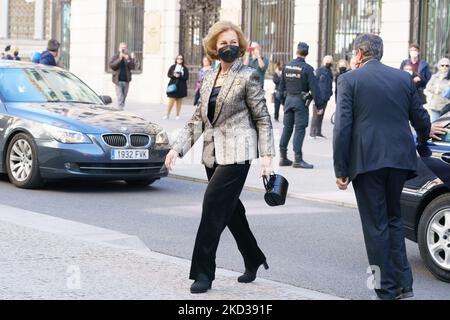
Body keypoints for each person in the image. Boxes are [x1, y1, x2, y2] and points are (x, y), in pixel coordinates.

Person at [164, 21, 275, 294]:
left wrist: (267, 157)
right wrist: (176, 148)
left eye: (233, 42)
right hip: (212, 153)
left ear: (241, 46)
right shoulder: (209, 77)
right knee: (231, 210)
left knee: (213, 205)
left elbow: (262, 118)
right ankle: (253, 257)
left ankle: (203, 272)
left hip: (239, 152)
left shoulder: (248, 75)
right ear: (214, 47)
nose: (229, 47)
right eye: (223, 43)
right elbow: (198, 120)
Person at [333, 34, 436, 300]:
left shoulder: (348, 80)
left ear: (358, 53)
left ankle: (384, 289)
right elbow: (422, 119)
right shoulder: (402, 78)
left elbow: (342, 127)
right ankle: (404, 285)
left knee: (374, 227)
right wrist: (423, 140)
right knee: (393, 221)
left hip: (367, 163)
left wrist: (340, 169)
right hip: (401, 161)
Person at [278, 41, 324, 169]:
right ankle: (298, 159)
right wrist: (319, 105)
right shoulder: (308, 69)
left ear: (296, 51)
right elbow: (314, 89)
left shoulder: (287, 67)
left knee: (287, 128)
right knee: (299, 129)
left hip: (288, 100)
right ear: (307, 53)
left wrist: (283, 102)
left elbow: (280, 87)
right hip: (300, 102)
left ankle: (283, 157)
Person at [310, 55, 334, 139]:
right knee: (315, 115)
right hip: (318, 97)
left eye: (330, 62)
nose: (329, 63)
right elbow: (314, 84)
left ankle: (318, 132)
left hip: (325, 98)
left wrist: (330, 94)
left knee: (321, 116)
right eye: (328, 61)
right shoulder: (319, 71)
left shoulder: (330, 72)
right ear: (324, 62)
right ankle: (312, 133)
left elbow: (330, 85)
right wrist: (314, 96)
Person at [109, 42, 136, 109]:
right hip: (118, 81)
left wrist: (129, 60)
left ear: (126, 49)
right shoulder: (116, 56)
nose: (123, 49)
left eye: (124, 48)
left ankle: (121, 108)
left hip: (126, 80)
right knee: (120, 97)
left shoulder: (128, 57)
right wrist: (119, 59)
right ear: (119, 48)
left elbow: (133, 67)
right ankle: (120, 111)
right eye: (122, 48)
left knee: (124, 96)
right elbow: (112, 66)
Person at [424, 58, 450, 122]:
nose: (444, 67)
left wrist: (439, 89)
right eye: (442, 65)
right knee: (434, 124)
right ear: (439, 66)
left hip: (446, 106)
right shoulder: (434, 76)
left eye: (447, 65)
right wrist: (436, 89)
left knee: (444, 127)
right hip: (434, 105)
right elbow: (428, 86)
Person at [164, 54, 189, 120]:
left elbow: (186, 77)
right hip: (173, 85)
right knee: (171, 100)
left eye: (181, 59)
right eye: (178, 58)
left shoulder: (185, 68)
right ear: (176, 59)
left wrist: (180, 76)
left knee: (179, 101)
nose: (179, 60)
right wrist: (174, 75)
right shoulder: (173, 67)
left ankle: (177, 115)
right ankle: (167, 114)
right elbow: (168, 74)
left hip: (181, 86)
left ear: (183, 60)